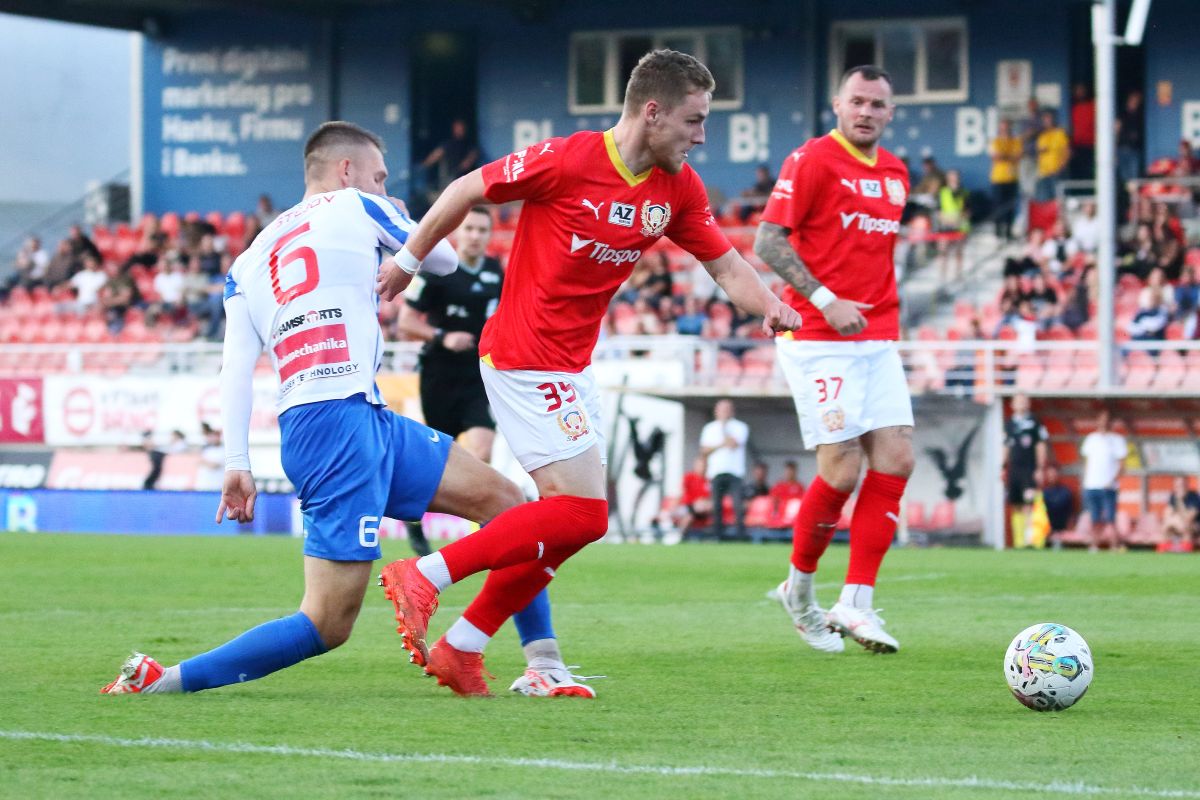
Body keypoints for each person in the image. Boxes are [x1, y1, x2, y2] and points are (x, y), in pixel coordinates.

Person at [375, 49, 801, 696]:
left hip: (572, 366)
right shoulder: (568, 159)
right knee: (584, 516)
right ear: (652, 112)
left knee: (566, 526)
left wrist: (768, 302)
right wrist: (407, 263)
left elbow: (724, 265)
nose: (701, 136)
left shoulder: (677, 189)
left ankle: (464, 647)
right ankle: (425, 575)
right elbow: (464, 189)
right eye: (694, 120)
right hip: (522, 354)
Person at [99, 120, 534, 698]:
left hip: (343, 419)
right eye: (380, 177)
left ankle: (538, 662)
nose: (384, 187)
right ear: (346, 171)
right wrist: (402, 218)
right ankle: (164, 682)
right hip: (339, 429)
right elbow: (446, 262)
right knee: (327, 622)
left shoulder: (247, 261)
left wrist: (237, 462)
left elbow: (235, 369)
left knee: (510, 505)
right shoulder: (360, 204)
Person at [755, 64, 912, 655]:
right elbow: (768, 241)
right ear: (838, 105)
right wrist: (825, 299)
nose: (867, 112)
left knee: (897, 458)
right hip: (819, 334)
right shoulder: (812, 160)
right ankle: (799, 592)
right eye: (858, 101)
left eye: (877, 104)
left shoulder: (895, 173)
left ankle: (856, 603)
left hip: (878, 334)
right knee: (842, 469)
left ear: (891, 112)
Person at [397, 206, 505, 557]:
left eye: (482, 230)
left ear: (489, 235)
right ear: (459, 231)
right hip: (439, 377)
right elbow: (406, 322)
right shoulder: (438, 269)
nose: (475, 235)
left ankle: (484, 531)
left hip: (477, 377)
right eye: (469, 228)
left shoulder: (496, 271)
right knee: (436, 461)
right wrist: (444, 337)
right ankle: (413, 517)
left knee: (482, 449)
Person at [699, 399, 750, 539]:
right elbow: (704, 450)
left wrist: (724, 429)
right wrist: (722, 444)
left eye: (727, 409)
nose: (724, 412)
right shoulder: (709, 428)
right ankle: (717, 534)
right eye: (721, 409)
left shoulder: (740, 427)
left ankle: (740, 535)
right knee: (716, 505)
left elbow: (733, 444)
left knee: (737, 504)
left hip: (735, 471)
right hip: (716, 471)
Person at [1003, 393, 1048, 548]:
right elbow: (1006, 445)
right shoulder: (1009, 423)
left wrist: (1040, 468)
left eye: (1023, 401)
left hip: (1029, 468)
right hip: (1014, 469)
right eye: (1018, 401)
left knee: (1028, 502)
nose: (1021, 403)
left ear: (1028, 403)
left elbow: (1041, 445)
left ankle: (1031, 539)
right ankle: (1019, 540)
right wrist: (1002, 466)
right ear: (1012, 404)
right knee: (1015, 503)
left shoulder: (1034, 422)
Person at [1079, 408, 1127, 552]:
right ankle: (1094, 546)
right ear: (1097, 421)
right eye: (1101, 419)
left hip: (1108, 486)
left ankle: (1114, 546)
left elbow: (1122, 465)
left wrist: (1112, 480)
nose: (1104, 422)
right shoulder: (1091, 439)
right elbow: (1087, 463)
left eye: (1106, 419)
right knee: (1094, 519)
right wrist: (1085, 481)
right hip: (1091, 485)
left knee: (1110, 519)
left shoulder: (1117, 440)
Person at [421, 118, 480, 192]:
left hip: (464, 181)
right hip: (448, 180)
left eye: (461, 128)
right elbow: (435, 156)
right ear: (453, 129)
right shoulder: (447, 144)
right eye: (457, 128)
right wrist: (423, 166)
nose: (459, 130)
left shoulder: (471, 145)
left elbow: (468, 162)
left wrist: (459, 171)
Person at [989, 119, 1022, 240]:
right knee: (998, 206)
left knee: (1010, 206)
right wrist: (1009, 156)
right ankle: (998, 231)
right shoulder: (995, 141)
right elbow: (996, 157)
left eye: (1007, 127)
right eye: (1002, 127)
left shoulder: (1015, 141)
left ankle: (1008, 232)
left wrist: (1004, 156)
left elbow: (1017, 157)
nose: (1005, 129)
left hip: (1012, 178)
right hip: (998, 178)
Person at [1035, 109, 1070, 202]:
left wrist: (1061, 167)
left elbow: (1067, 151)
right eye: (1045, 120)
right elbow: (1039, 155)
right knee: (1045, 201)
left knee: (1058, 201)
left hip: (1056, 172)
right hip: (1043, 174)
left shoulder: (1060, 133)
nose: (1047, 121)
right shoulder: (1042, 136)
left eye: (1049, 119)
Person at [1039, 463, 1075, 548]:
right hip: (1046, 530)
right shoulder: (1043, 493)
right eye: (1050, 474)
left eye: (1054, 474)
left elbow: (1070, 514)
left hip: (1062, 530)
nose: (1052, 477)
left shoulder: (1065, 492)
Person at [1159, 475, 1199, 552]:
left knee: (1186, 528)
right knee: (1165, 527)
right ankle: (1162, 553)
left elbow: (1190, 517)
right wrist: (1174, 521)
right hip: (1177, 524)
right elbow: (1167, 515)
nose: (1179, 487)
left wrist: (1180, 501)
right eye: (1177, 485)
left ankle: (1185, 552)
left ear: (1186, 484)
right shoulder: (1173, 496)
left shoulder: (1194, 496)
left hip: (1194, 525)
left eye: (1181, 485)